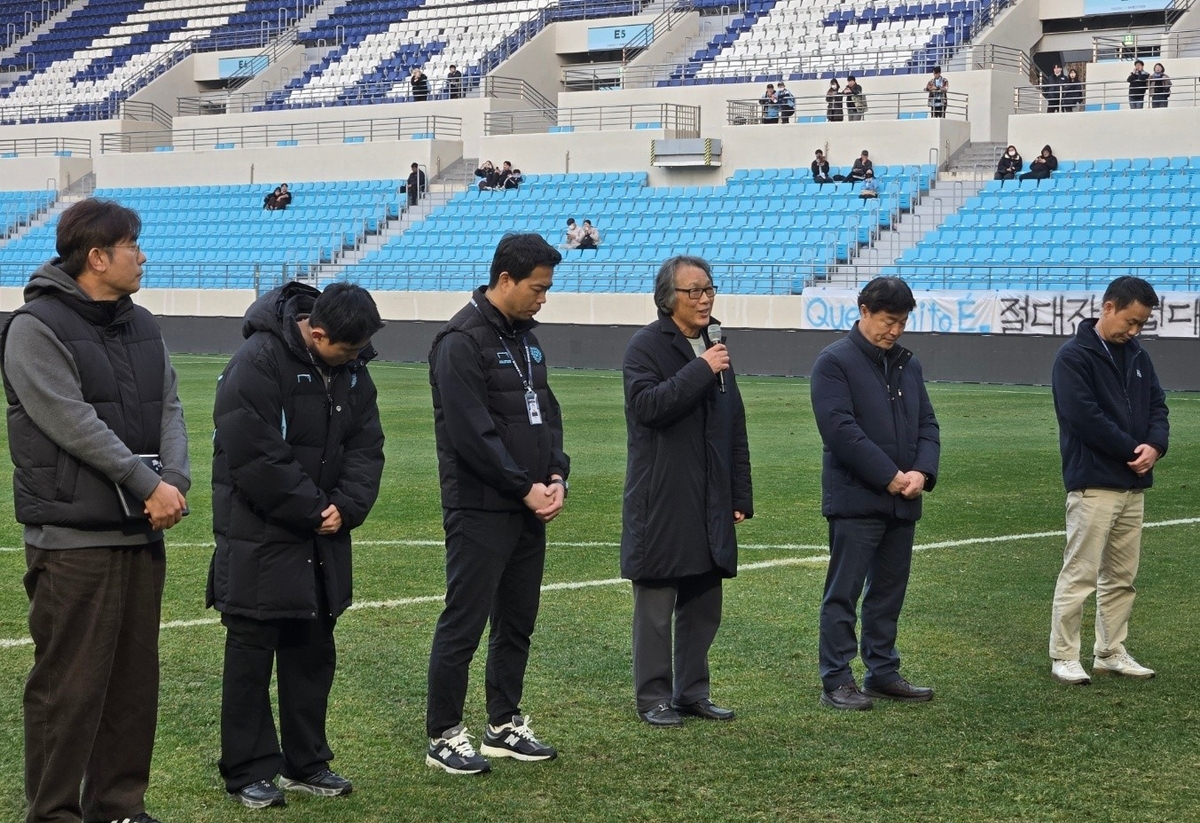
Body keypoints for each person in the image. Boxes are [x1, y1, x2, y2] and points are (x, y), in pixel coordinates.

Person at [1, 198, 190, 823]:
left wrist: (174, 479)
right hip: (72, 541)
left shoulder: (143, 325)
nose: (143, 256)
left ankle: (118, 807)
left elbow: (169, 406)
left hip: (140, 534)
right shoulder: (35, 328)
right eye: (133, 245)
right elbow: (71, 421)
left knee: (133, 686)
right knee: (68, 689)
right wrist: (146, 483)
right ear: (97, 257)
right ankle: (53, 813)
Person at [209, 281, 385, 808]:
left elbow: (367, 445)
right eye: (349, 349)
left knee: (312, 652)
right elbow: (253, 453)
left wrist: (346, 507)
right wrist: (315, 509)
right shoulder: (257, 362)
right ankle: (247, 770)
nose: (356, 358)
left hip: (322, 537)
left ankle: (307, 763)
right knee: (250, 655)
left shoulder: (353, 368)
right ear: (318, 332)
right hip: (259, 536)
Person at [426, 233, 569, 775]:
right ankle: (443, 734)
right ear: (505, 280)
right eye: (537, 288)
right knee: (464, 621)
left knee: (517, 620)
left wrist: (555, 474)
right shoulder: (460, 341)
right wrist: (522, 487)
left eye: (547, 289)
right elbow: (472, 434)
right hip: (481, 507)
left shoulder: (528, 341)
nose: (543, 299)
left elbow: (547, 414)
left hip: (529, 503)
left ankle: (504, 724)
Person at [621, 255, 752, 727]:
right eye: (692, 291)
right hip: (662, 496)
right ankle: (653, 697)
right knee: (656, 605)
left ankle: (692, 692)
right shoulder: (645, 346)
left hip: (711, 495)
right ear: (667, 298)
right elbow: (648, 407)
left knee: (703, 602)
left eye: (709, 289)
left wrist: (740, 494)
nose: (704, 299)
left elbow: (733, 424)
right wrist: (701, 369)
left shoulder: (716, 344)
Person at [810, 276, 940, 711]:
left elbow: (927, 424)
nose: (895, 330)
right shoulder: (834, 362)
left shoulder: (908, 364)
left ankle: (882, 671)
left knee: (889, 592)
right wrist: (890, 476)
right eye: (888, 321)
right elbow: (840, 430)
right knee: (843, 593)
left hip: (903, 499)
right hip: (856, 499)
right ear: (864, 311)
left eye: (902, 322)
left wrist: (922, 471)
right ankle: (837, 679)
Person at [1048, 276, 1168, 686]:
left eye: (1141, 324)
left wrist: (1156, 445)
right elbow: (1083, 417)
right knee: (1079, 574)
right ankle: (1064, 655)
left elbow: (1158, 406)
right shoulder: (1073, 357)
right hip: (1093, 483)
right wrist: (1134, 450)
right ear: (1108, 307)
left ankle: (1110, 651)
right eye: (1131, 321)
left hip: (1132, 485)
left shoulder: (1138, 355)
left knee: (1122, 578)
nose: (1134, 330)